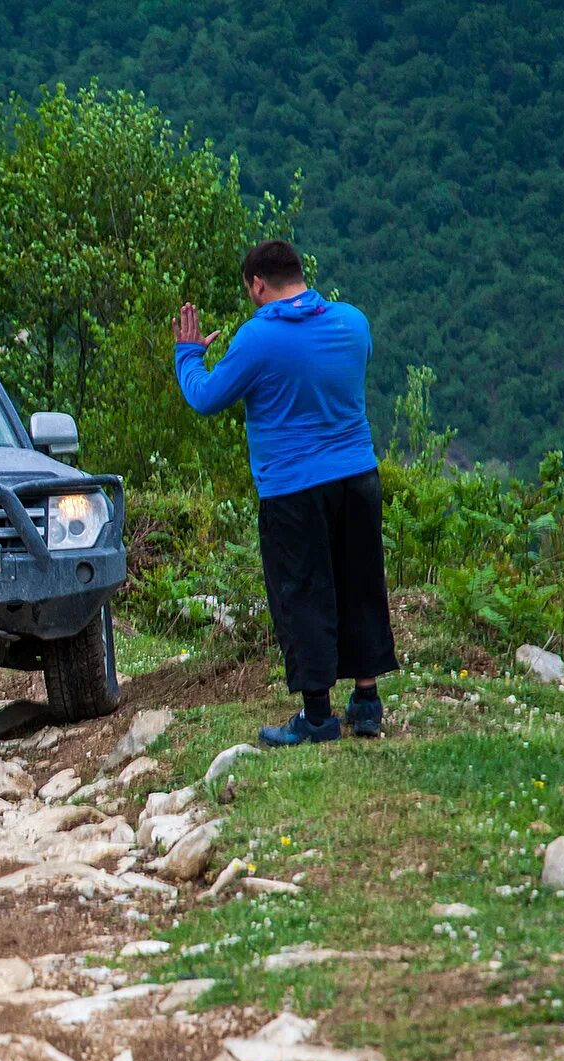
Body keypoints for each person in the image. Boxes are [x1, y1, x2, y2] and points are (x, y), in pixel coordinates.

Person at [173, 239, 398, 747]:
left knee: (303, 593)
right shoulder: (352, 322)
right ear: (300, 272)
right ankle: (367, 703)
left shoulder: (257, 339)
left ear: (257, 284)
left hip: (294, 488)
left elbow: (206, 397)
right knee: (361, 584)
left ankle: (317, 716)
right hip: (360, 477)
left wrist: (188, 354)